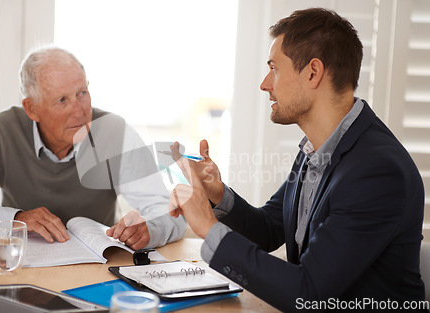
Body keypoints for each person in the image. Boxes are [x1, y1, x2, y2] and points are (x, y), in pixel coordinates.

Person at [168, 8, 427, 312]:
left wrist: (208, 227)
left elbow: (309, 293)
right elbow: (269, 229)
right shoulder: (318, 149)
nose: (265, 84)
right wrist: (217, 194)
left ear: (313, 73)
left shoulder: (377, 171)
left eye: (274, 68)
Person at [0, 47, 185, 250]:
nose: (79, 110)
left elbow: (169, 213)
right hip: (20, 264)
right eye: (62, 100)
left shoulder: (115, 132)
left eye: (82, 93)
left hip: (96, 269)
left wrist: (150, 229)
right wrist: (15, 219)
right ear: (32, 109)